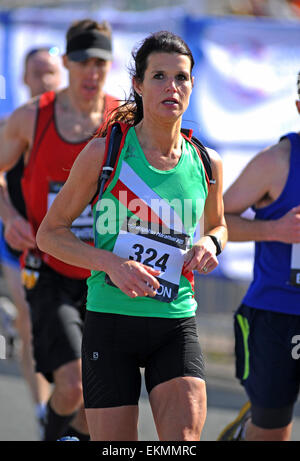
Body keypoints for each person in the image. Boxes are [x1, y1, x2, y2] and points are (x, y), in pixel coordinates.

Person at [36, 30, 227, 441]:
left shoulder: (207, 163)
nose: (171, 87)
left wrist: (210, 243)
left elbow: (219, 226)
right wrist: (111, 263)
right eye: (159, 76)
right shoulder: (104, 154)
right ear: (138, 86)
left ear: (193, 85)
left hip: (175, 320)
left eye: (182, 78)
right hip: (111, 320)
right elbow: (49, 234)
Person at [0, 18, 119, 441]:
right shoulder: (32, 117)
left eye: (101, 63)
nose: (92, 72)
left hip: (105, 273)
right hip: (48, 268)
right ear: (66, 62)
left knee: (92, 405)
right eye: (84, 61)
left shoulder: (122, 119)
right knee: (73, 385)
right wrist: (11, 217)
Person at [217, 72, 300, 441]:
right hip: (276, 317)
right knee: (272, 431)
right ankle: (246, 432)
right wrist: (273, 230)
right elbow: (216, 221)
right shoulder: (276, 162)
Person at [0, 46, 62, 436]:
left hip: (65, 241)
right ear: (24, 78)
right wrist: (10, 217)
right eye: (37, 72)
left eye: (51, 72)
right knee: (29, 323)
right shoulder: (16, 124)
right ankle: (42, 410)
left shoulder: (75, 124)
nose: (44, 79)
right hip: (21, 241)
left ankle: (67, 403)